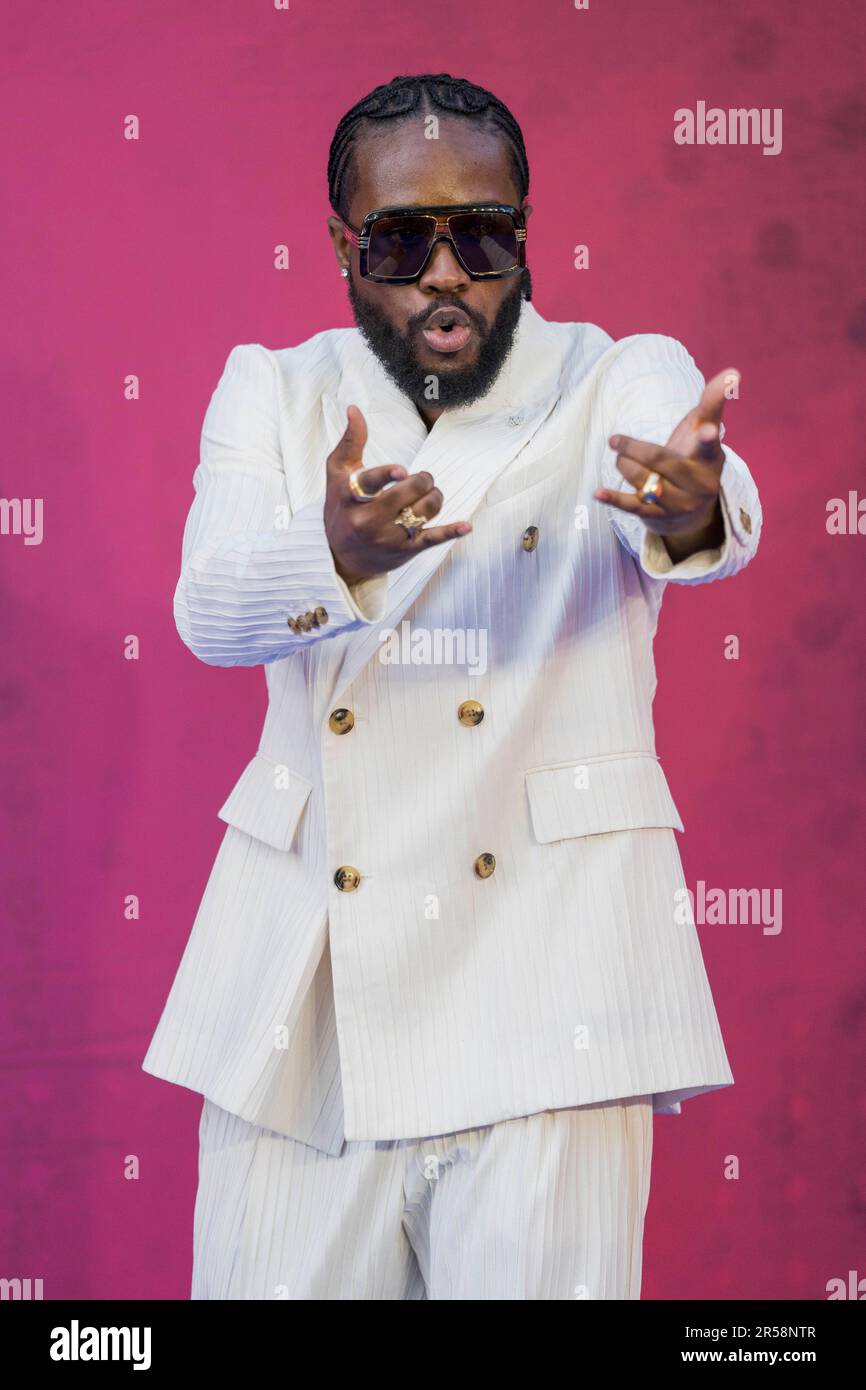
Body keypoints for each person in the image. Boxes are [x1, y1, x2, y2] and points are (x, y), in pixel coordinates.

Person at [142, 72, 762, 1301]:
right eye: (400, 238)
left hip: (552, 980)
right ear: (339, 243)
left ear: (524, 231)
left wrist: (691, 508)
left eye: (481, 235)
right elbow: (206, 610)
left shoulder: (612, 374)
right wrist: (336, 555)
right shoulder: (273, 391)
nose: (445, 274)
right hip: (306, 999)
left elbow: (700, 495)